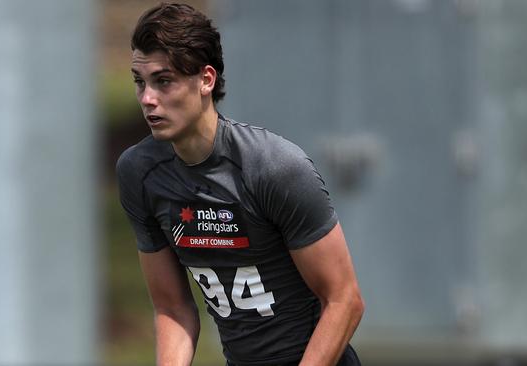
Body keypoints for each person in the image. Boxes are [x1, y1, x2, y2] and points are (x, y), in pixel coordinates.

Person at [116, 3, 364, 365]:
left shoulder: (273, 167)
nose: (147, 98)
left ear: (206, 79)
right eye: (140, 82)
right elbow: (172, 308)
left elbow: (344, 300)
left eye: (163, 81)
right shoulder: (139, 173)